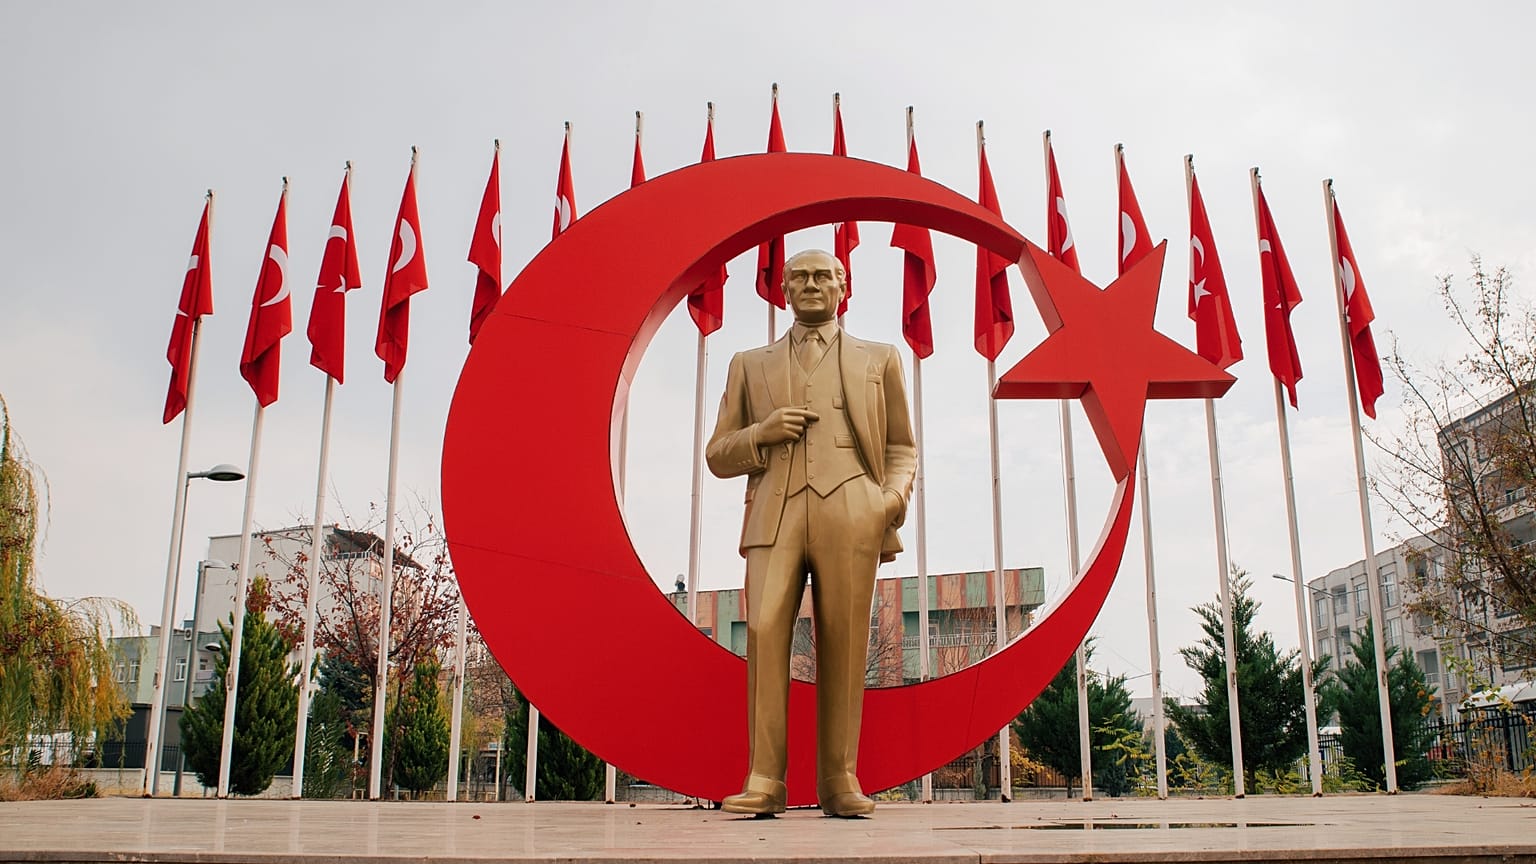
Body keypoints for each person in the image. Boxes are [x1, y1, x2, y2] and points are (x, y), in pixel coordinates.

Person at [706, 249, 917, 817]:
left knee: (845, 643)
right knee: (764, 630)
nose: (811, 285)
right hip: (774, 511)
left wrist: (889, 501)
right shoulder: (749, 364)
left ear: (842, 285)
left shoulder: (881, 359)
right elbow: (718, 454)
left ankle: (840, 779)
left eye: (823, 276)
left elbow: (902, 446)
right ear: (783, 289)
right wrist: (761, 433)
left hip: (852, 509)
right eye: (799, 277)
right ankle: (764, 778)